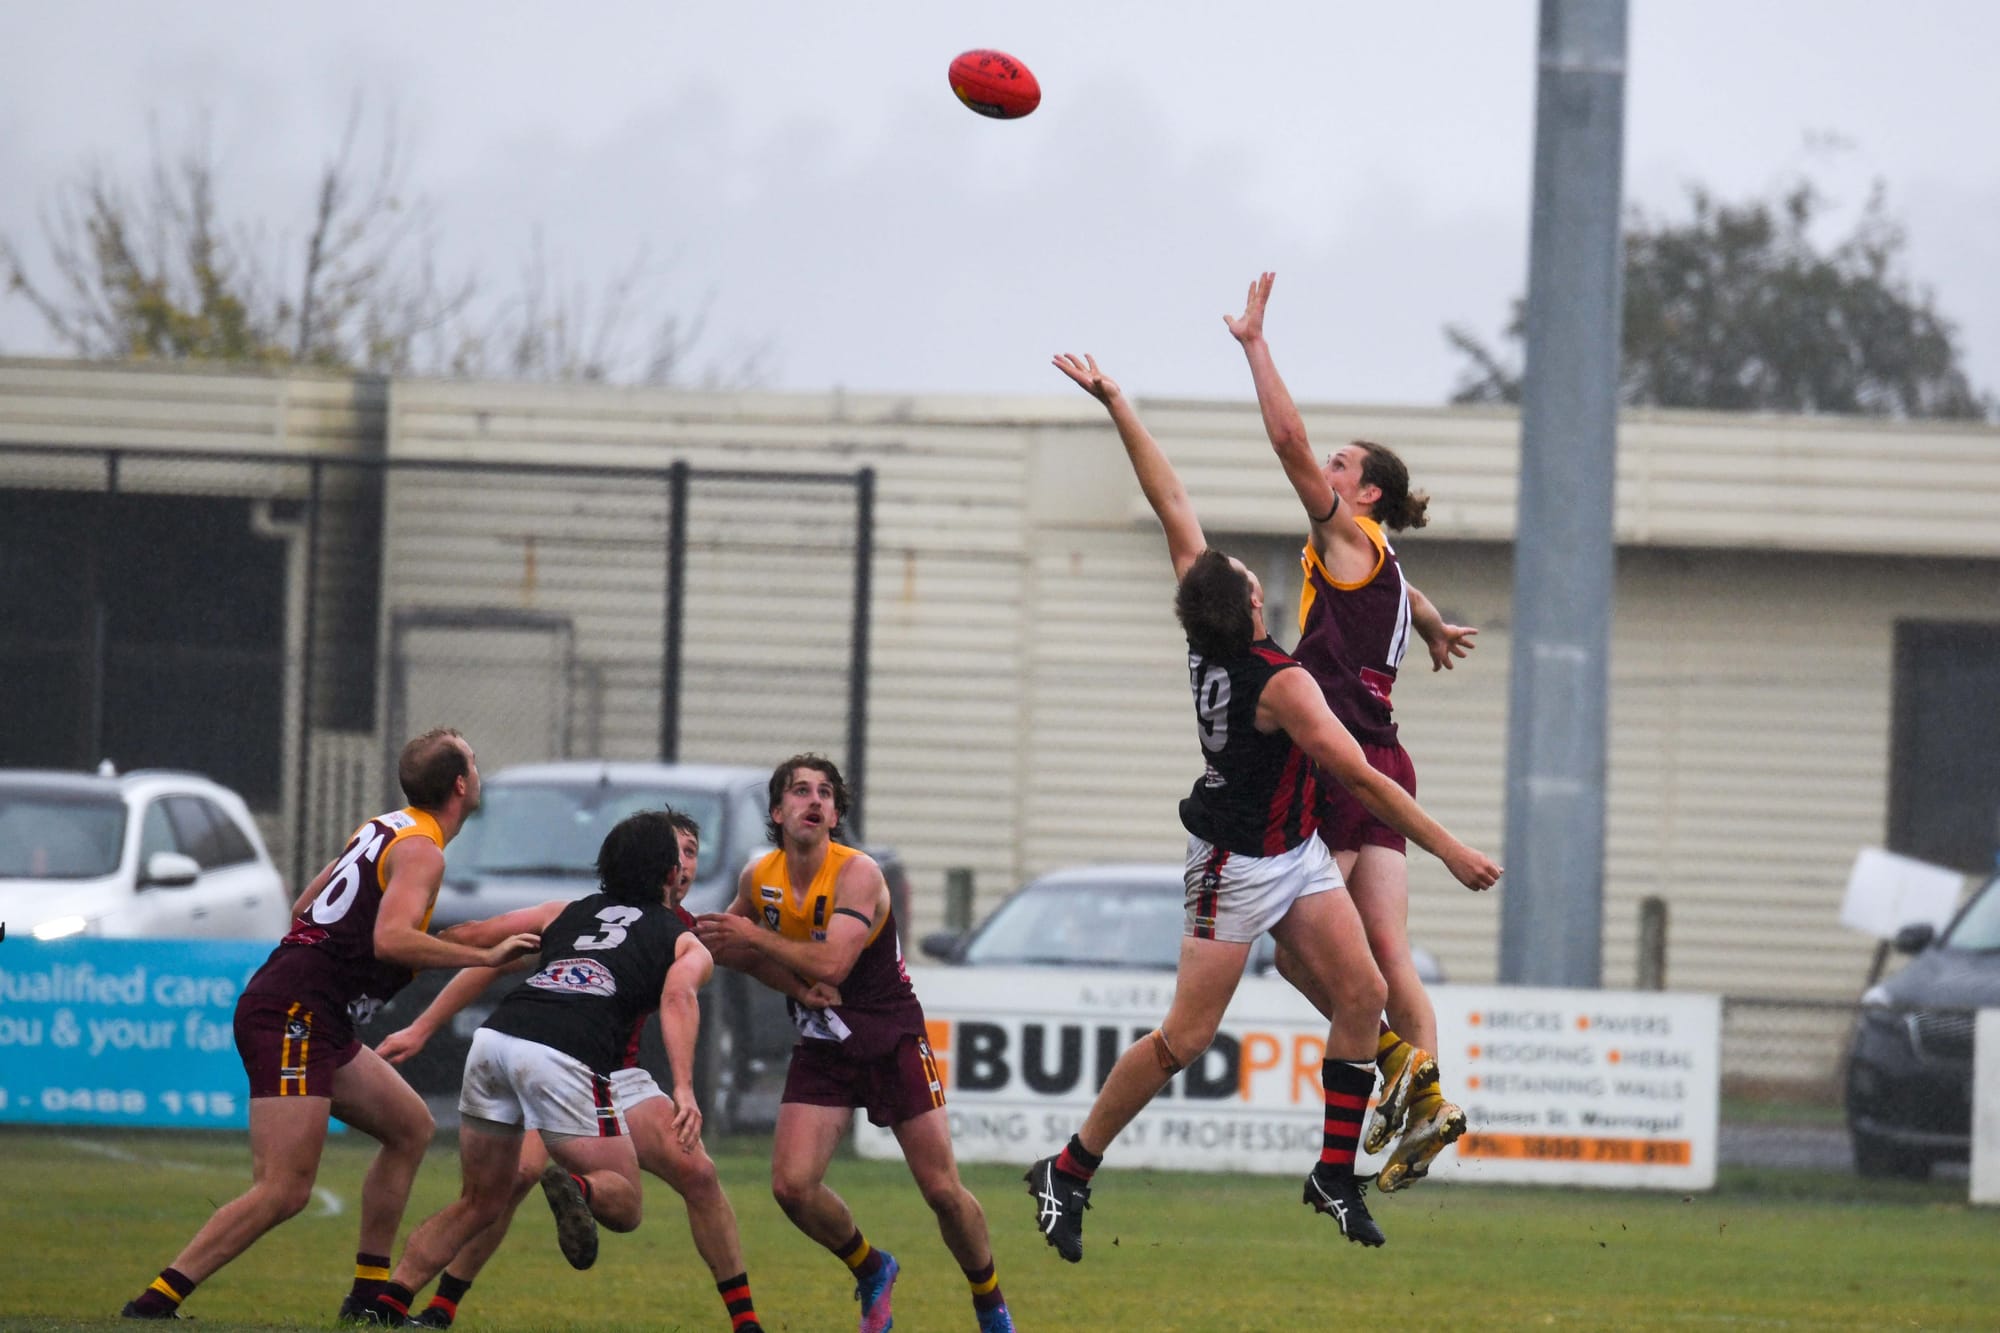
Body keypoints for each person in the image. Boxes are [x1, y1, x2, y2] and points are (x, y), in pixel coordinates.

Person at [1025, 352, 1499, 1262]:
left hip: (1293, 853)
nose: (1258, 573)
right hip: (1232, 867)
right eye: (1251, 576)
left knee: (1362, 991)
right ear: (1249, 606)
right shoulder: (1279, 685)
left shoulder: (1224, 638)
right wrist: (1449, 848)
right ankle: (1070, 1165)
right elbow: (1362, 781)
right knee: (1184, 1037)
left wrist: (1121, 404)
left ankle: (1333, 1173)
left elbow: (1171, 506)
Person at [120, 728, 542, 1321]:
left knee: (410, 1128)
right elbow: (391, 938)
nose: (479, 769)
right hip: (295, 1013)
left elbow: (303, 911)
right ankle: (154, 1304)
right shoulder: (424, 850)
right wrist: (484, 956)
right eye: (474, 760)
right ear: (460, 784)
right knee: (285, 1190)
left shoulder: (384, 826)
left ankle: (367, 1297)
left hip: (315, 1013)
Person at [1225, 271, 1482, 1191]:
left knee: (1297, 944)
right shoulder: (1378, 555)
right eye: (1330, 463)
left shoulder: (1345, 536)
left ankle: (1388, 1064)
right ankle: (1429, 1103)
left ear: (1364, 495)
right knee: (1387, 953)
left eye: (1342, 467)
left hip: (1334, 759)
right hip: (1388, 755)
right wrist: (1436, 619)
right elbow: (1400, 585)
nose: (1323, 471)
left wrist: (1257, 347)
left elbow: (1286, 439)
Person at [373, 810, 764, 1332]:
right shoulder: (676, 938)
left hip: (542, 1051)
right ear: (667, 871)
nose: (686, 862)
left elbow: (477, 942)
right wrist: (687, 1089)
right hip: (575, 1062)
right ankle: (445, 1307)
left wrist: (415, 1009)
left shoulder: (571, 913)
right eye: (678, 852)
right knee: (599, 1198)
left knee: (698, 1173)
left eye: (694, 849)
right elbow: (677, 998)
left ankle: (386, 1305)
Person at [694, 755, 1015, 1333]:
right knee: (791, 1187)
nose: (813, 801)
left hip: (890, 1034)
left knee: (942, 1190)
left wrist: (752, 935)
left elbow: (834, 963)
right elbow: (724, 948)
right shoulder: (757, 878)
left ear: (836, 814)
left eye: (825, 793)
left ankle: (990, 1304)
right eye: (799, 791)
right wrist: (783, 980)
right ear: (777, 810)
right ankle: (872, 1268)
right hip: (824, 1042)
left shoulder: (859, 873)